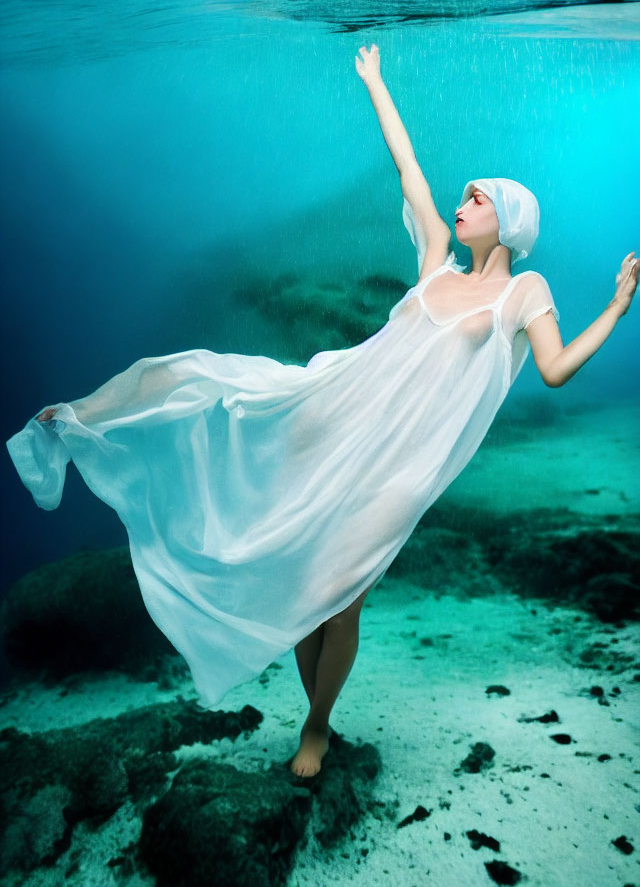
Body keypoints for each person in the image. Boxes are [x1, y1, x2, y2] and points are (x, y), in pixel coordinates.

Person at [7, 45, 638, 782]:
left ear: (509, 220)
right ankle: (82, 419)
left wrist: (620, 305)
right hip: (338, 418)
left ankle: (315, 727)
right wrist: (376, 84)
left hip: (400, 468)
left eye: (477, 198)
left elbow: (556, 370)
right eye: (462, 197)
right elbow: (408, 167)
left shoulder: (524, 292)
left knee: (343, 598)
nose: (460, 206)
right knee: (209, 388)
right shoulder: (436, 257)